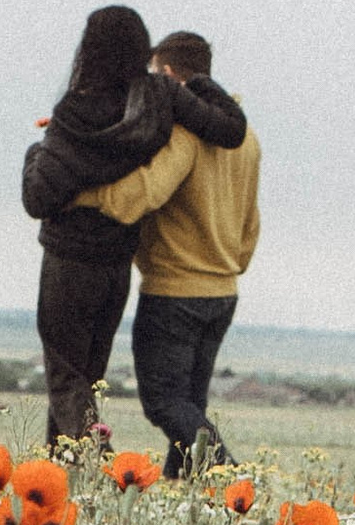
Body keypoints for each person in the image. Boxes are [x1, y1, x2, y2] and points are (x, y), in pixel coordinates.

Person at [19, 9, 247, 450]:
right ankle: (61, 471)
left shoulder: (74, 113)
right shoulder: (161, 97)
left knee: (66, 376)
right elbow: (231, 129)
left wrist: (36, 151)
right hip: (117, 262)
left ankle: (98, 460)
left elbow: (37, 199)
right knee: (87, 378)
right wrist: (196, 81)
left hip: (68, 261)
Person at [75, 28, 261, 476]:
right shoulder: (247, 138)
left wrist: (81, 193)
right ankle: (186, 493)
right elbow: (251, 221)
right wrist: (228, 265)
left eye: (154, 74)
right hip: (223, 291)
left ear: (172, 76)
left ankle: (230, 481)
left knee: (162, 403)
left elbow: (145, 193)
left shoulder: (186, 133)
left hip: (175, 291)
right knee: (189, 406)